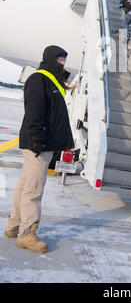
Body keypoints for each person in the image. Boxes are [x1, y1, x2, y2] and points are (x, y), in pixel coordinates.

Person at [4, 45, 74, 253]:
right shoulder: (39, 80)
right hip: (38, 144)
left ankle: (14, 225)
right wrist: (37, 142)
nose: (62, 63)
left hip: (42, 143)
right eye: (59, 59)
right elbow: (34, 113)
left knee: (25, 184)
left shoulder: (50, 80)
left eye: (64, 59)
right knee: (34, 190)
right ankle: (27, 234)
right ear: (50, 59)